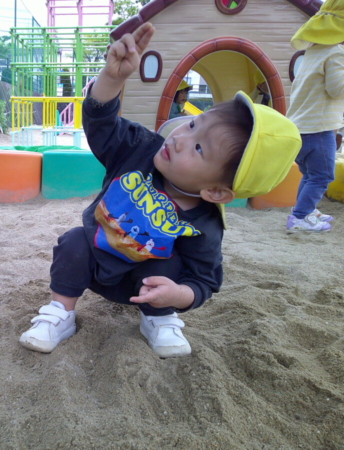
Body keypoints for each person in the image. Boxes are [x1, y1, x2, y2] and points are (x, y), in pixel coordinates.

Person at [19, 22, 301, 358]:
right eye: (193, 124)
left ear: (215, 192)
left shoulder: (204, 223)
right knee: (73, 241)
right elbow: (101, 123)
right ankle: (61, 313)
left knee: (170, 263)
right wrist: (112, 79)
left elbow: (204, 280)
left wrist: (176, 296)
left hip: (145, 287)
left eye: (199, 148)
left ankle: (159, 320)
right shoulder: (140, 149)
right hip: (94, 262)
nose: (181, 138)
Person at [286, 0, 344, 233]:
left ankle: (305, 209)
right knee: (322, 176)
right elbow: (336, 89)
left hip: (300, 127)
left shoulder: (312, 51)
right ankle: (300, 217)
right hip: (318, 128)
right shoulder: (335, 53)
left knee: (310, 175)